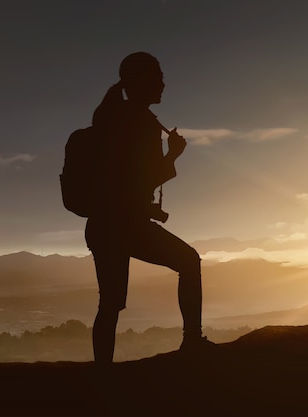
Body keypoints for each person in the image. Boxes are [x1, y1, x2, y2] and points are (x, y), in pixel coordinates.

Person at [85, 52, 213, 365]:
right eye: (157, 77)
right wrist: (174, 155)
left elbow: (122, 183)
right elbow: (144, 179)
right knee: (189, 261)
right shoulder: (139, 123)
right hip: (125, 226)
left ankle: (103, 373)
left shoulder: (114, 117)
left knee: (111, 304)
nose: (163, 84)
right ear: (141, 82)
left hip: (103, 226)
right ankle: (192, 342)